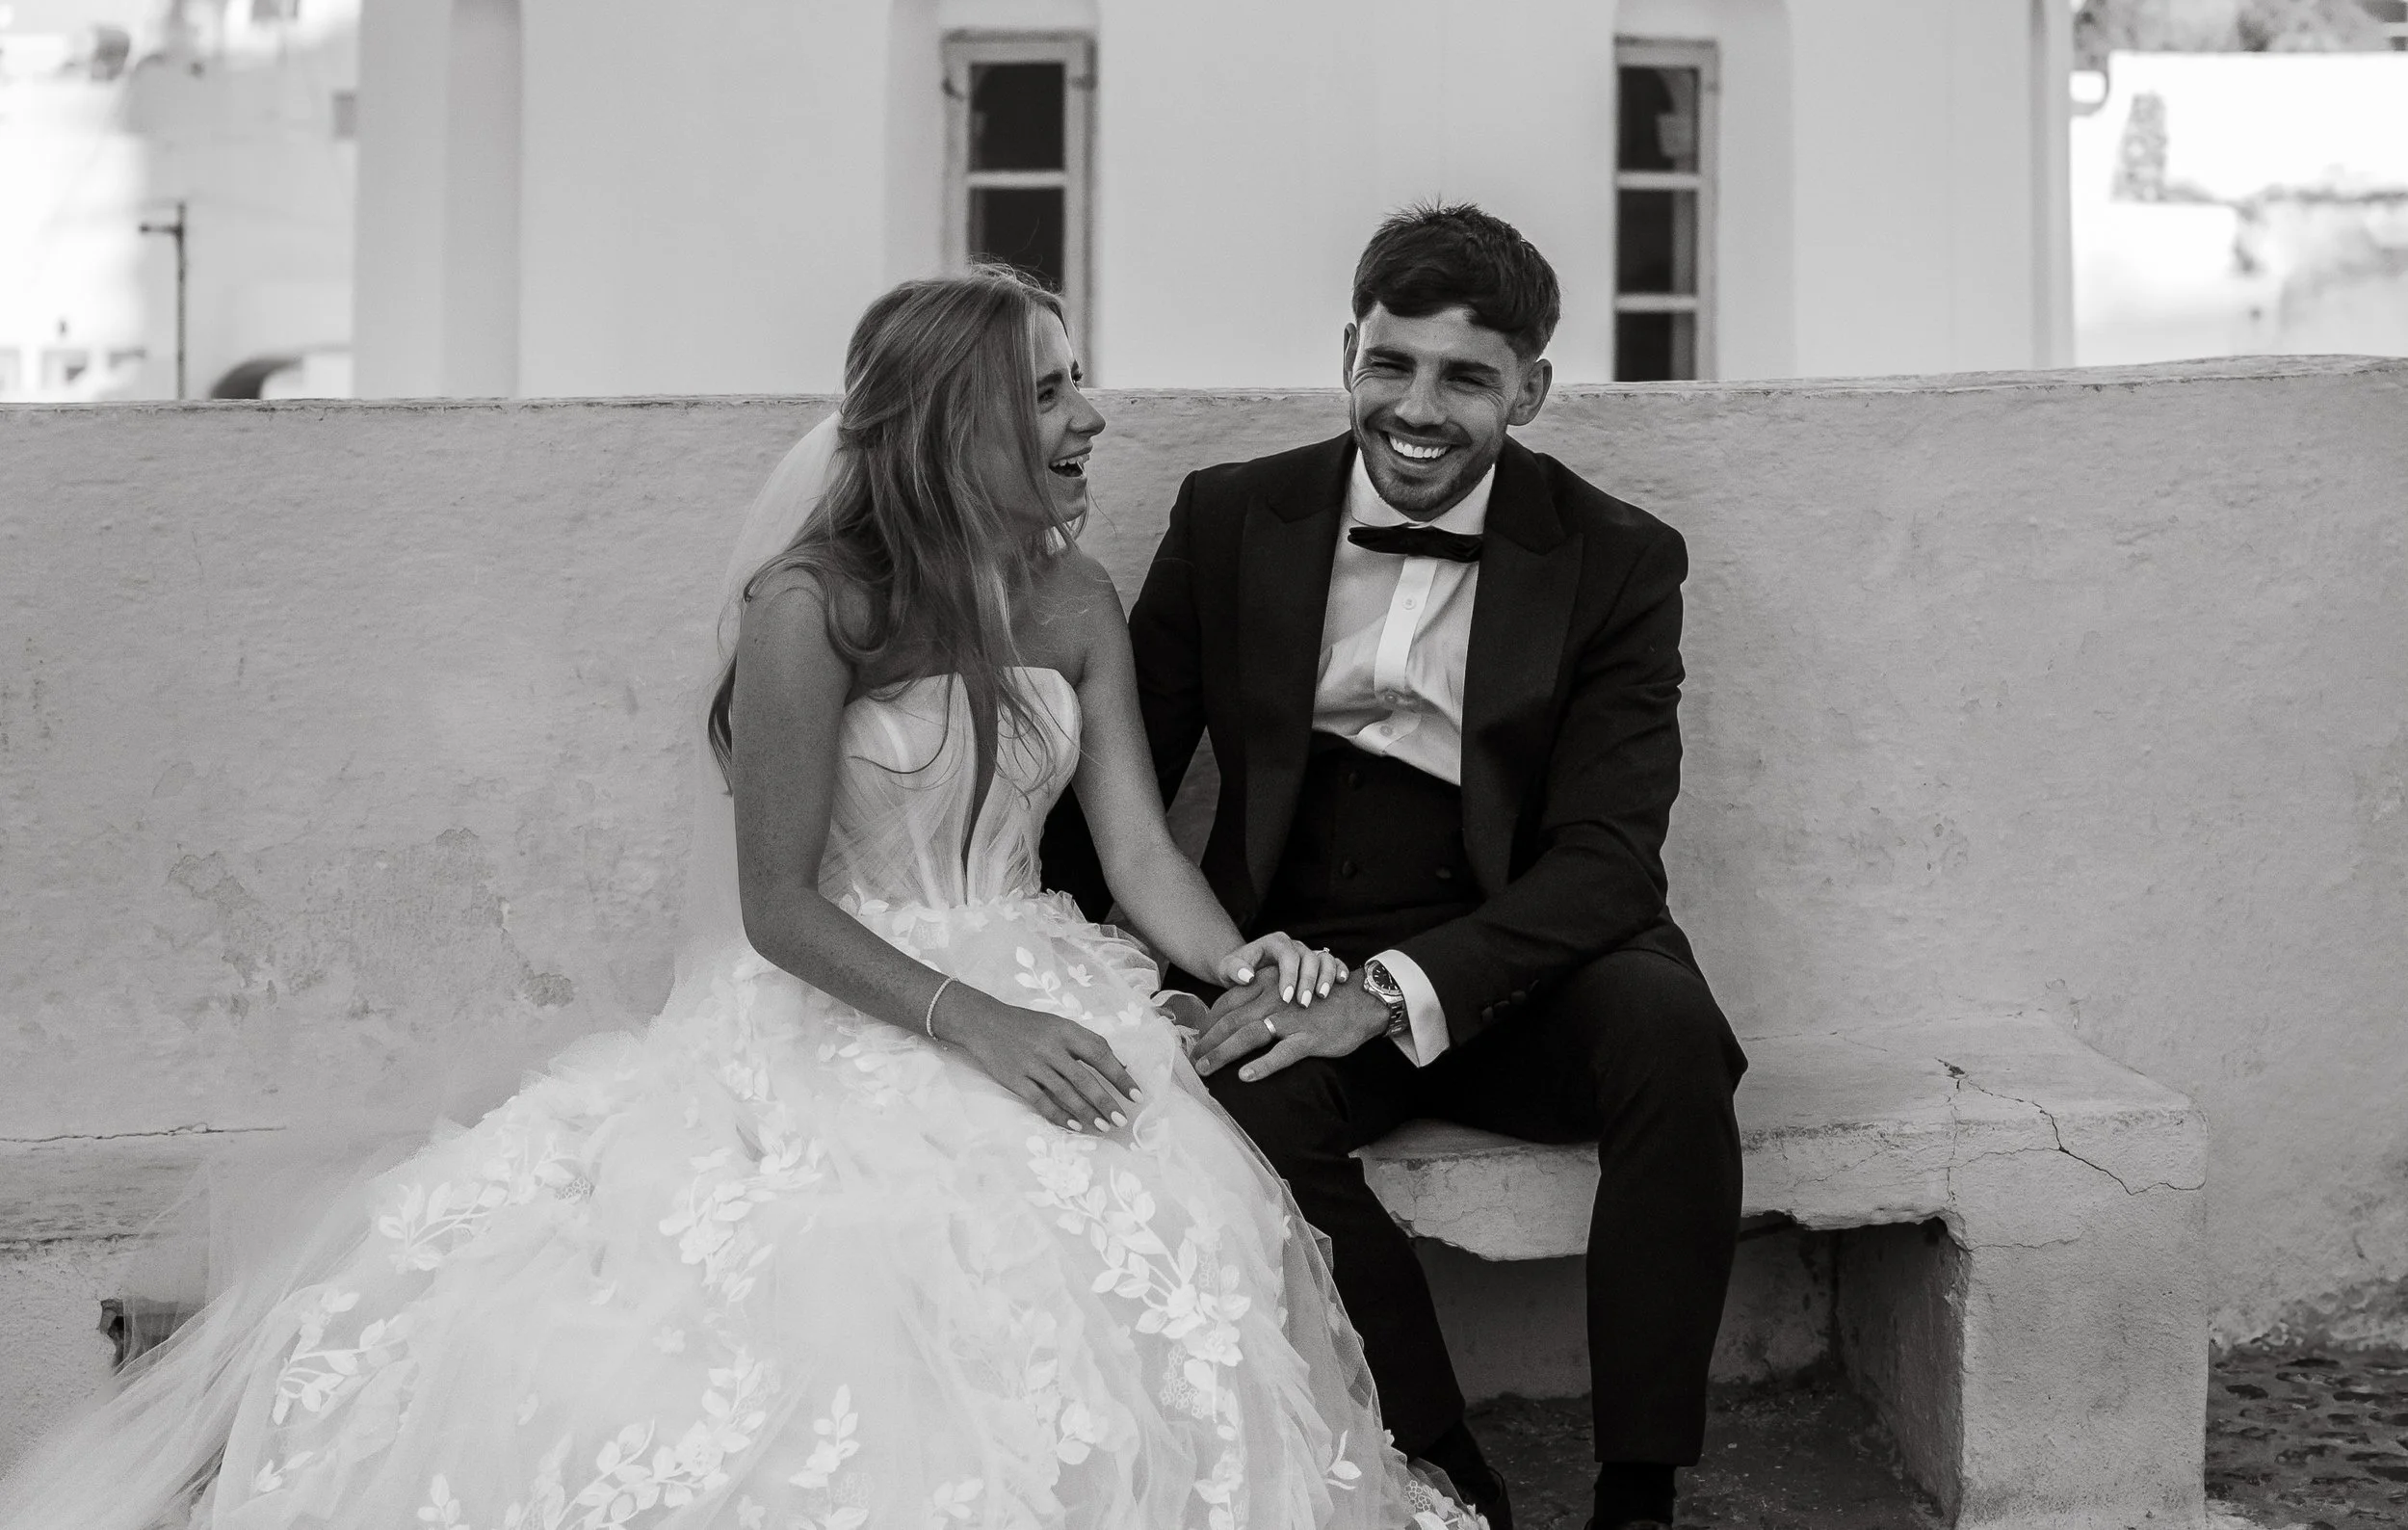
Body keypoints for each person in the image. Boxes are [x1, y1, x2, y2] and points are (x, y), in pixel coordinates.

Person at [0, 269, 1481, 1530]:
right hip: (853, 998)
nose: (1090, 418)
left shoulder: (1074, 597)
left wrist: (1249, 963)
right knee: (844, 1279)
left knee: (1149, 1214)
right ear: (958, 419)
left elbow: (1145, 855)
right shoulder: (811, 606)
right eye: (1047, 393)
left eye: (1078, 385)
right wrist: (977, 1025)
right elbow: (778, 906)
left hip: (1044, 970)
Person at [1044, 205, 1748, 1530]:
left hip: (1526, 950)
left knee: (1676, 1038)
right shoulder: (1232, 515)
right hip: (1297, 950)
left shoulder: (1620, 557)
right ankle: (1439, 1464)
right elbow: (1112, 788)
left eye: (1466, 378)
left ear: (1529, 391)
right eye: (1391, 365)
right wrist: (1108, 981)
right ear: (1347, 357)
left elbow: (1609, 859)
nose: (1417, 410)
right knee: (1246, 1105)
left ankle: (1640, 1487)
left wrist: (1406, 984)